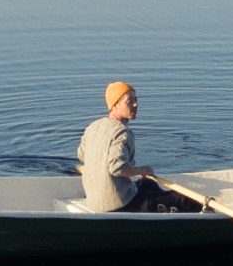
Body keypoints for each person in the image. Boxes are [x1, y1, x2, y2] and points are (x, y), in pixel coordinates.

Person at [77, 79, 200, 214]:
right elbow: (117, 168)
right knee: (183, 200)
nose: (135, 105)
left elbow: (82, 155)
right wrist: (141, 170)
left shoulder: (93, 127)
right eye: (129, 101)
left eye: (136, 100)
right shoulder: (122, 132)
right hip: (120, 205)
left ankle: (159, 207)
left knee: (148, 183)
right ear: (115, 106)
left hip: (94, 202)